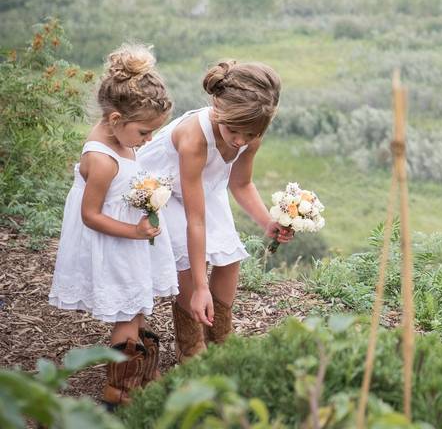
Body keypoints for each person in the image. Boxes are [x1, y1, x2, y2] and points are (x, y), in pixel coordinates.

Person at [48, 44, 177, 408]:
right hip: (113, 239)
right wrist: (135, 232)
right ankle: (119, 393)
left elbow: (126, 175)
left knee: (137, 305)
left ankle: (143, 373)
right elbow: (91, 215)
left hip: (127, 237)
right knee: (125, 310)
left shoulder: (118, 131)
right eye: (144, 132)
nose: (148, 139)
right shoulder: (101, 159)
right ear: (116, 119)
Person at [138, 60, 291, 362]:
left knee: (229, 257)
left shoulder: (250, 132)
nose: (240, 141)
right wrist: (200, 287)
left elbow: (242, 183)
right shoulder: (194, 138)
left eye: (249, 135)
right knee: (185, 261)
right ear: (217, 107)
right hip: (161, 192)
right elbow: (195, 221)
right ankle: (190, 345)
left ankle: (221, 338)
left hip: (204, 189)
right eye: (234, 131)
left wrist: (267, 221)